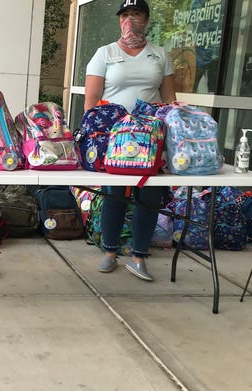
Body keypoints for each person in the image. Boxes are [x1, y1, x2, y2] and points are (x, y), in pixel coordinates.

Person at [84, 0, 176, 282]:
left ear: (146, 20)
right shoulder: (105, 53)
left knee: (148, 198)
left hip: (149, 139)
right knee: (114, 196)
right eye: (125, 15)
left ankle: (138, 256)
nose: (130, 20)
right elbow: (91, 102)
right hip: (114, 138)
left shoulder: (160, 55)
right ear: (119, 21)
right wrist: (89, 134)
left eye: (136, 14)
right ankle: (110, 252)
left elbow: (170, 101)